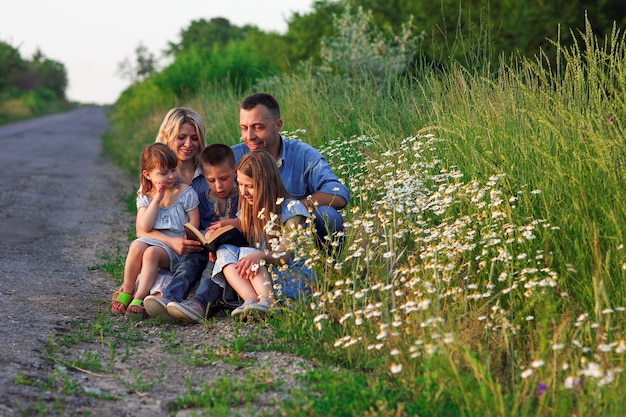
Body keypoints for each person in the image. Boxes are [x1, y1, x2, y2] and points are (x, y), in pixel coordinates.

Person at [168, 150, 315, 322]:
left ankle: (269, 302)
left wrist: (260, 255)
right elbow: (238, 226)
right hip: (263, 276)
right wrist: (214, 237)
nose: (243, 192)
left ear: (267, 183)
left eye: (250, 186)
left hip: (293, 279)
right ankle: (251, 300)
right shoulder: (252, 210)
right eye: (241, 185)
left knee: (248, 253)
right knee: (224, 250)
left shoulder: (292, 210)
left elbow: (286, 253)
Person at [233, 93, 350, 246]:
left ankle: (329, 267)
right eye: (244, 128)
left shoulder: (303, 155)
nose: (249, 136)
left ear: (278, 125)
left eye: (258, 127)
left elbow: (338, 194)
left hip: (297, 239)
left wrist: (290, 211)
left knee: (328, 215)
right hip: (250, 243)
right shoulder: (233, 157)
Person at [144, 143, 240, 321]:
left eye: (224, 178)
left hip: (231, 251)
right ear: (204, 177)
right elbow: (195, 226)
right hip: (206, 247)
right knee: (190, 261)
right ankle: (170, 299)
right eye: (211, 181)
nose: (218, 185)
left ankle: (200, 304)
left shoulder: (243, 197)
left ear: (235, 172)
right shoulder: (203, 198)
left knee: (215, 265)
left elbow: (251, 223)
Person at [111, 143, 200, 318]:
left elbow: (194, 223)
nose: (171, 176)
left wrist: (184, 240)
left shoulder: (185, 193)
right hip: (154, 241)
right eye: (163, 173)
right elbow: (144, 228)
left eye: (173, 170)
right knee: (137, 246)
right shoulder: (146, 194)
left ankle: (140, 295)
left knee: (151, 253)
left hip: (175, 249)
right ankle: (128, 287)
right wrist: (157, 200)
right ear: (147, 175)